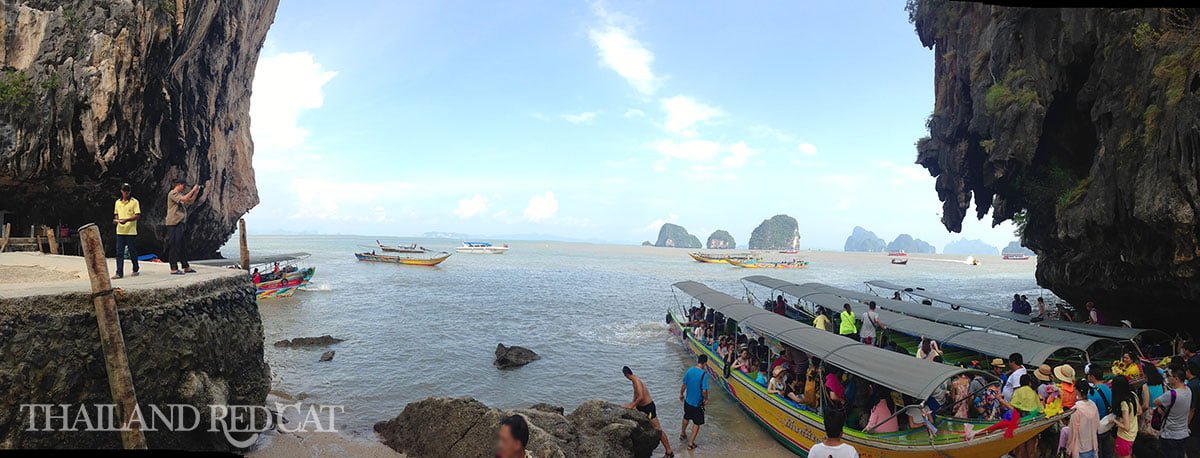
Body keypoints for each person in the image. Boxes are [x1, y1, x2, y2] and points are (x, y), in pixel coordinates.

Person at [622, 366, 673, 457]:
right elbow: (636, 394)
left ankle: (669, 451)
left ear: (625, 375)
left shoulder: (636, 381)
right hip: (641, 407)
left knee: (658, 429)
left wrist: (632, 405)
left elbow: (641, 396)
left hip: (648, 408)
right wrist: (633, 405)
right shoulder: (634, 381)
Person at [1152, 363, 1192, 458]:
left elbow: (1156, 402)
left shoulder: (1172, 394)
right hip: (1183, 432)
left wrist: (1167, 393)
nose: (1168, 378)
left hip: (1170, 434)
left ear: (1176, 379)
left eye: (1169, 376)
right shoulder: (1188, 390)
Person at [165, 178, 200, 275]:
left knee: (182, 245)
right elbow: (184, 199)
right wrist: (192, 190)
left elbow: (190, 201)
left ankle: (186, 266)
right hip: (173, 223)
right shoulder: (172, 193)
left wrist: (196, 192)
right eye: (183, 186)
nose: (184, 188)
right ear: (178, 185)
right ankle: (173, 268)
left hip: (180, 223)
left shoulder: (179, 195)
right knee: (174, 245)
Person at [679, 355, 709, 451]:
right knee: (697, 423)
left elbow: (684, 384)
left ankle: (682, 433)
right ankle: (690, 443)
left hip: (688, 401)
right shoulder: (704, 374)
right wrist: (706, 399)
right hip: (697, 403)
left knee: (686, 417)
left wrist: (681, 394)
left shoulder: (690, 370)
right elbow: (704, 390)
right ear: (705, 363)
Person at [112, 183, 141, 279]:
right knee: (119, 252)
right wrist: (117, 220)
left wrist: (127, 220)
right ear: (121, 191)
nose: (126, 193)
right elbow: (116, 213)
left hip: (130, 231)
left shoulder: (134, 202)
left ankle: (135, 268)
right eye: (124, 191)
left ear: (129, 192)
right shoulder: (117, 202)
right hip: (120, 231)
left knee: (132, 250)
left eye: (127, 191)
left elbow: (137, 215)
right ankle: (119, 272)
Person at [1067, 381, 1101, 458]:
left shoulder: (1076, 410)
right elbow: (1097, 425)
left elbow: (1072, 431)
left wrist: (1069, 448)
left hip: (1080, 448)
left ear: (1077, 391)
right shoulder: (1093, 405)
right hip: (1093, 445)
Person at [1110, 375, 1138, 458]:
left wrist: (1114, 421)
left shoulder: (1124, 403)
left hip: (1124, 437)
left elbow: (1126, 427)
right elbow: (1139, 411)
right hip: (1133, 433)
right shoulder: (1133, 395)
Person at [1141, 360, 1167, 435]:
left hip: (1150, 414)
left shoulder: (1146, 386)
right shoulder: (1162, 384)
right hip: (1161, 411)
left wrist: (1139, 412)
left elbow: (1146, 405)